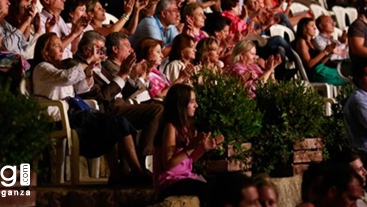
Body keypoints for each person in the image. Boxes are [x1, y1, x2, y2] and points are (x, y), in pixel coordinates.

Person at [31, 32, 148, 183]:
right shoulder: (42, 68)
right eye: (56, 46)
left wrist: (89, 71)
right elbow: (67, 78)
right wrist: (87, 61)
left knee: (115, 122)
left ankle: (122, 173)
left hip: (73, 114)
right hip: (60, 117)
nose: (61, 49)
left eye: (62, 46)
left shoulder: (58, 68)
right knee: (113, 122)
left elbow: (82, 90)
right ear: (45, 51)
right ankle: (134, 173)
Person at [152, 83, 224, 203]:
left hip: (183, 177)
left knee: (221, 184)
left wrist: (202, 149)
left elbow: (185, 161)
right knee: (207, 190)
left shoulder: (183, 128)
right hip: (170, 183)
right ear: (181, 105)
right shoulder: (170, 128)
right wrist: (191, 146)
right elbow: (169, 164)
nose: (196, 105)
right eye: (192, 102)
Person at [295, 18, 346, 86]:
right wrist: (325, 51)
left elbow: (320, 62)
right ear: (304, 28)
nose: (315, 28)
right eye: (312, 26)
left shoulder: (312, 42)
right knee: (345, 78)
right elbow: (309, 64)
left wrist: (330, 53)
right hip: (316, 73)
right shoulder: (302, 42)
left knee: (346, 73)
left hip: (321, 68)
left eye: (314, 26)